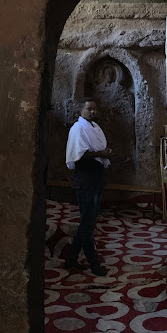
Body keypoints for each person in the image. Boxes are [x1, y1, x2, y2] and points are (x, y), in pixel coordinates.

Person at [65, 98, 112, 276]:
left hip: (95, 180)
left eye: (94, 109)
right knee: (87, 224)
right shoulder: (78, 128)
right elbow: (78, 156)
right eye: (89, 108)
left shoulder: (94, 128)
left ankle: (71, 259)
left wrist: (104, 155)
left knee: (88, 223)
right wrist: (101, 153)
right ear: (81, 110)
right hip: (86, 181)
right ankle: (94, 264)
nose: (93, 112)